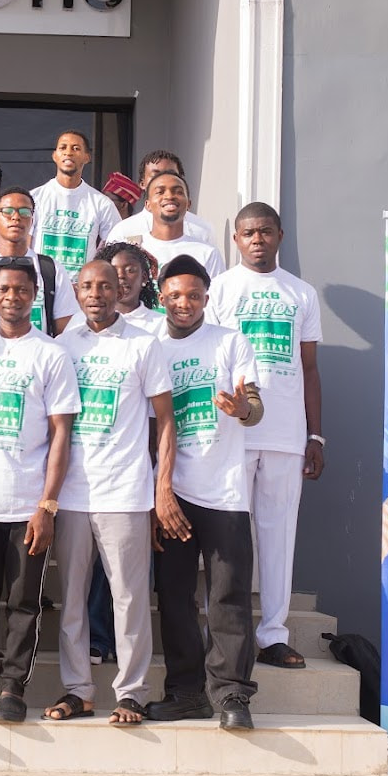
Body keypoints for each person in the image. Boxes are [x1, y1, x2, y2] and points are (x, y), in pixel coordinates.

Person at [45, 260, 179, 727]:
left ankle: (132, 693)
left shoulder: (144, 344)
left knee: (128, 598)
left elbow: (165, 420)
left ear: (119, 288)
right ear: (76, 291)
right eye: (87, 286)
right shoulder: (63, 346)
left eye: (105, 285)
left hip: (125, 491)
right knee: (73, 600)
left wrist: (162, 485)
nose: (96, 294)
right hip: (72, 494)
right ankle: (78, 691)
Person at [0, 258, 80, 724]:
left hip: (27, 503)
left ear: (34, 295)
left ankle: (12, 688)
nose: (12, 297)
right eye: (3, 289)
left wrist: (47, 504)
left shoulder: (51, 354)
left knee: (25, 603)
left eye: (21, 290)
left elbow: (61, 433)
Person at [148, 254, 263, 731]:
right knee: (175, 598)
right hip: (172, 494)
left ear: (206, 298)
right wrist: (158, 494)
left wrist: (242, 410)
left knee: (228, 597)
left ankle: (232, 694)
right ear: (162, 298)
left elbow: (254, 406)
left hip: (224, 492)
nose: (184, 303)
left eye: (193, 295)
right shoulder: (150, 346)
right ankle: (186, 694)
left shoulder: (230, 342)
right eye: (175, 295)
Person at [208, 202, 325, 670]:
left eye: (265, 232)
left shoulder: (302, 293)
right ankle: (225, 636)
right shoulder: (221, 288)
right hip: (231, 434)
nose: (257, 240)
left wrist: (316, 436)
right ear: (236, 240)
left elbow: (310, 369)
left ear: (280, 236)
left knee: (278, 539)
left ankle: (273, 635)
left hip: (286, 435)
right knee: (228, 541)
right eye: (248, 233)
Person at [0, 187, 79, 336]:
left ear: (32, 220)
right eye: (7, 211)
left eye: (24, 212)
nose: (16, 217)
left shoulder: (51, 269)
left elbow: (65, 329)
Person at [29, 130, 122, 282]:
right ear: (55, 156)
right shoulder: (34, 198)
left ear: (87, 157)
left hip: (82, 289)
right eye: (63, 147)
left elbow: (116, 247)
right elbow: (24, 245)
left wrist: (94, 279)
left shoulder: (102, 203)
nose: (68, 153)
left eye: (76, 148)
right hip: (40, 286)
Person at [108, 171, 224, 278]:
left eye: (178, 192)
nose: (169, 196)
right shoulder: (130, 250)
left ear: (188, 204)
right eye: (160, 192)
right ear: (148, 205)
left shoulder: (208, 254)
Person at [107, 149, 215, 245]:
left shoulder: (202, 229)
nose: (164, 179)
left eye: (171, 174)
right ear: (142, 183)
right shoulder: (124, 231)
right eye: (156, 175)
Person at [92, 240, 165, 335]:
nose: (121, 275)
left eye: (130, 270)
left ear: (144, 278)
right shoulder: (86, 322)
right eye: (113, 270)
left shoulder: (162, 325)